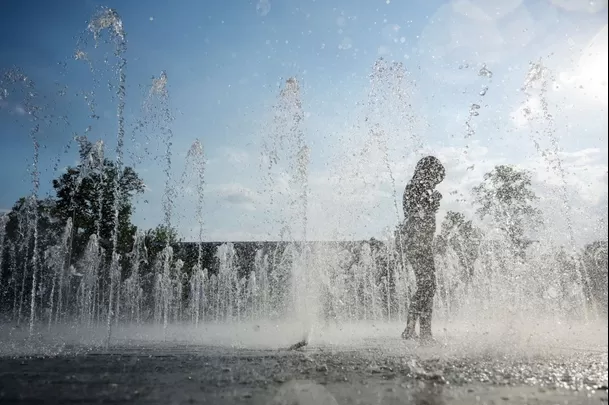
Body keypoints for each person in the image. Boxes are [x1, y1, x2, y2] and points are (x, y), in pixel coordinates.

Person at [399, 156, 445, 344]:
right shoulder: (419, 186)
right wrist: (433, 202)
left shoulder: (412, 186)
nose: (435, 184)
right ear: (429, 171)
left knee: (424, 286)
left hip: (414, 242)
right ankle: (424, 332)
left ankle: (410, 328)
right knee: (429, 286)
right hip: (418, 243)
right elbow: (419, 214)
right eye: (436, 179)